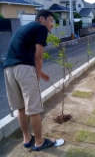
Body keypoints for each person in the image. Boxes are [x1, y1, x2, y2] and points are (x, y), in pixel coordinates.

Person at [3, 10, 58, 151]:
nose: (52, 24)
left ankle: (27, 138)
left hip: (8, 69)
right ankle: (39, 142)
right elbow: (38, 56)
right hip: (24, 70)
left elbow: (23, 55)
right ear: (41, 19)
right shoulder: (40, 28)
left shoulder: (25, 28)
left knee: (21, 107)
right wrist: (37, 75)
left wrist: (41, 72)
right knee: (33, 108)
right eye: (50, 20)